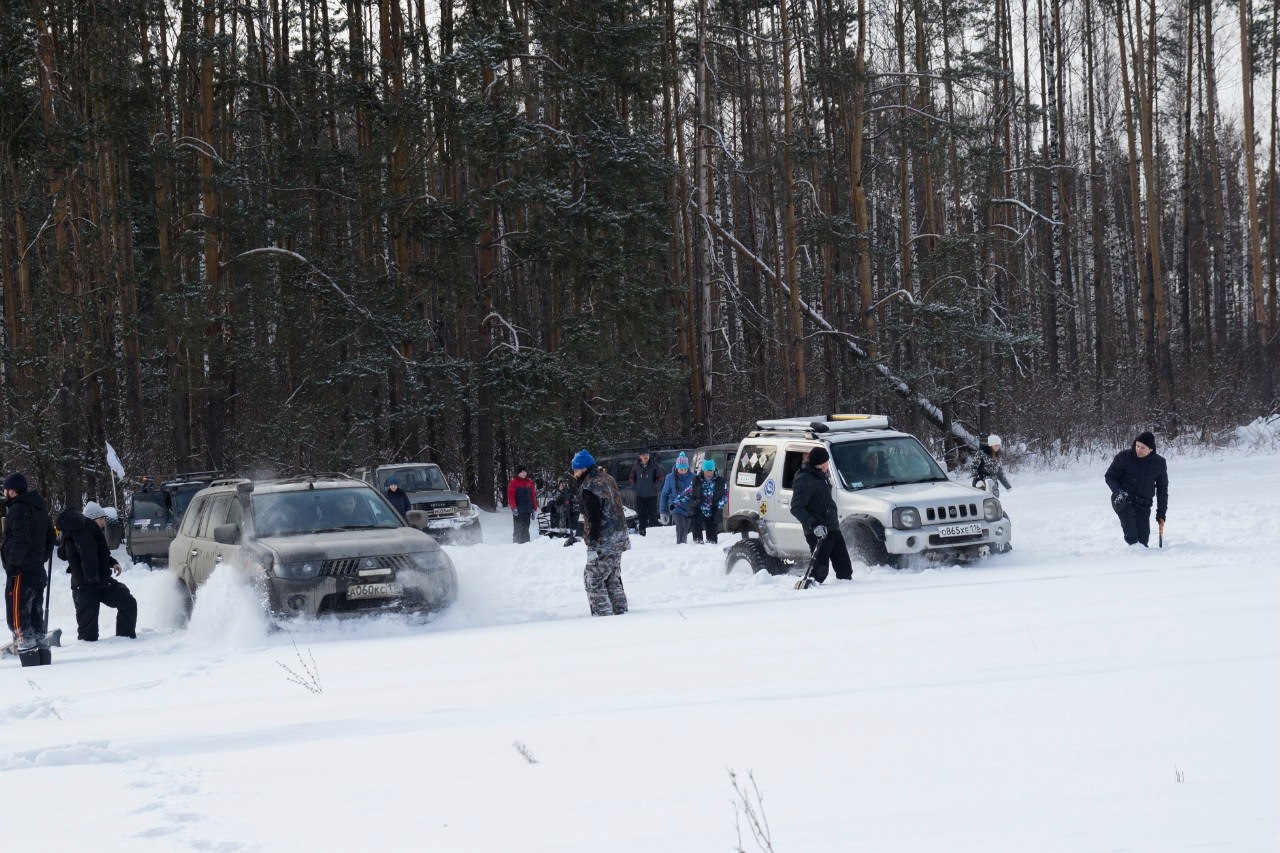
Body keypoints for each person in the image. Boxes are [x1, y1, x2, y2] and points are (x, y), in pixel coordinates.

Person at [55, 501, 137, 642]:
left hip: (101, 582)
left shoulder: (92, 533)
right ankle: (89, 655)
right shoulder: (78, 535)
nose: (104, 523)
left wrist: (113, 563)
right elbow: (67, 554)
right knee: (88, 636)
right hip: (85, 587)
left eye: (104, 519)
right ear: (90, 520)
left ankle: (125, 640)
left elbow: (98, 554)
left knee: (128, 602)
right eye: (101, 519)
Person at [2, 472, 57, 666]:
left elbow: (21, 540)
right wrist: (40, 558)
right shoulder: (40, 509)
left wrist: (14, 566)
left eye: (5, 489)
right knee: (35, 612)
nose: (4, 493)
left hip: (22, 570)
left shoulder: (18, 509)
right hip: (36, 570)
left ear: (12, 490)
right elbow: (51, 537)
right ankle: (42, 653)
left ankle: (30, 660)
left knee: (18, 616)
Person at [570, 449, 629, 616]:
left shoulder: (589, 486)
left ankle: (603, 616)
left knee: (593, 579)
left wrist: (593, 544)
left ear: (585, 469)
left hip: (604, 540)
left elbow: (594, 517)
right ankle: (621, 612)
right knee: (612, 578)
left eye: (576, 470)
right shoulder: (608, 479)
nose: (574, 475)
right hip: (620, 537)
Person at [789, 447, 854, 586]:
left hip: (833, 529)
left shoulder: (821, 475)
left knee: (845, 570)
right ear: (820, 462)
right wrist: (814, 525)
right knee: (820, 574)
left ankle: (847, 599)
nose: (828, 465)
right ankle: (810, 599)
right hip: (818, 533)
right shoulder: (804, 479)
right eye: (826, 462)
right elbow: (796, 508)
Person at [1104, 431, 1169, 547]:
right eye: (1137, 445)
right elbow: (1110, 476)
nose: (1138, 449)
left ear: (1151, 449)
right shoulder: (1124, 457)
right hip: (1123, 499)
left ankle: (1143, 560)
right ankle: (1132, 555)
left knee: (1142, 542)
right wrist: (1119, 491)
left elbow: (1162, 489)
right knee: (1133, 539)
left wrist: (1161, 512)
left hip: (1143, 504)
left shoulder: (1159, 463)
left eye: (1143, 448)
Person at [682, 459, 727, 544]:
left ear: (714, 470)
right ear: (703, 471)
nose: (709, 473)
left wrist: (718, 505)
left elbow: (725, 496)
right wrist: (675, 503)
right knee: (697, 535)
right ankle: (697, 545)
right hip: (698, 509)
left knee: (712, 540)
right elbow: (687, 493)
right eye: (707, 471)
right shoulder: (696, 480)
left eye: (711, 471)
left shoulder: (720, 481)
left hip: (713, 511)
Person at [659, 453, 696, 544]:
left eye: (685, 469)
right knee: (681, 527)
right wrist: (663, 511)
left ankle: (683, 546)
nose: (683, 471)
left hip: (688, 507)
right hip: (675, 507)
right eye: (680, 469)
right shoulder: (670, 478)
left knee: (685, 530)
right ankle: (680, 546)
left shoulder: (693, 477)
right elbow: (664, 494)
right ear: (676, 468)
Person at [628, 450, 664, 535]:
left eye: (647, 454)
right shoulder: (636, 466)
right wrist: (635, 488)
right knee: (641, 514)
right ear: (640, 456)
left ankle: (654, 531)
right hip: (640, 495)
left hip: (652, 495)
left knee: (653, 514)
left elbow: (661, 478)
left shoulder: (655, 465)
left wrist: (655, 487)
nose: (645, 456)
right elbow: (631, 478)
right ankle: (642, 530)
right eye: (643, 454)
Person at [507, 466, 537, 544]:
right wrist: (513, 508)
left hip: (527, 510)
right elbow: (511, 496)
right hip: (518, 511)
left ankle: (526, 545)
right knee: (518, 529)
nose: (524, 473)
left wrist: (534, 509)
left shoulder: (529, 482)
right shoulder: (513, 482)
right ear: (518, 473)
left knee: (526, 529)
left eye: (525, 471)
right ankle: (516, 545)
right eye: (522, 472)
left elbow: (533, 495)